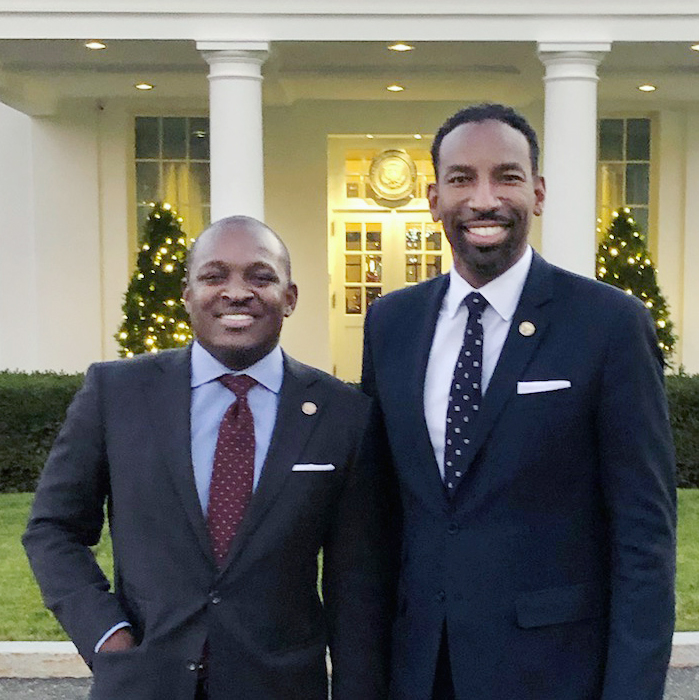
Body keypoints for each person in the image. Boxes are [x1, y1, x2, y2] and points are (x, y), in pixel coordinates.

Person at [361, 103, 676, 700]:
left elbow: (644, 538)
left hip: (554, 673)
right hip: (420, 671)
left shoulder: (609, 325)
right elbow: (379, 520)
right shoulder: (391, 324)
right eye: (461, 179)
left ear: (537, 192)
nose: (484, 199)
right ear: (433, 199)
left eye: (505, 176)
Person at [24, 216, 392, 700]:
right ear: (187, 294)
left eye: (261, 277)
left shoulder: (342, 414)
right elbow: (53, 528)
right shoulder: (116, 393)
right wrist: (105, 634)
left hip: (277, 685)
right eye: (214, 276)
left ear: (291, 297)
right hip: (143, 682)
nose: (237, 292)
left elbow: (357, 583)